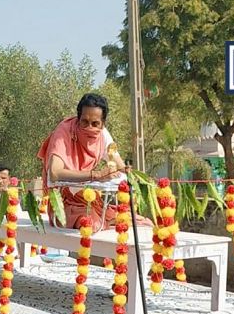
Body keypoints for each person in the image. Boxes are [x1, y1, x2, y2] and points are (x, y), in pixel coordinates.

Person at [37, 93, 151, 230]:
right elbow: (55, 173)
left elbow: (120, 165)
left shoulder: (104, 135)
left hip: (93, 202)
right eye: (84, 122)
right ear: (77, 119)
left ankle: (109, 223)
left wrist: (138, 180)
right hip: (63, 204)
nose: (90, 127)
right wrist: (96, 175)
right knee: (92, 225)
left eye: (95, 124)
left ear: (103, 124)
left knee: (144, 223)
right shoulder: (64, 131)